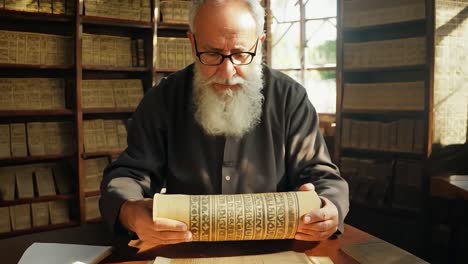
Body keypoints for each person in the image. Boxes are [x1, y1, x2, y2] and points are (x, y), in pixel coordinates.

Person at [100, 0, 349, 248]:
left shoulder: (290, 98)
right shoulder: (164, 99)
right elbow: (130, 174)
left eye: (241, 54)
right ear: (191, 42)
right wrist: (130, 212)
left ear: (259, 44)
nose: (227, 71)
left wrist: (329, 208)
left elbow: (321, 176)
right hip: (185, 251)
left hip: (274, 250)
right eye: (212, 54)